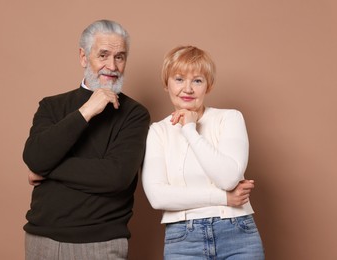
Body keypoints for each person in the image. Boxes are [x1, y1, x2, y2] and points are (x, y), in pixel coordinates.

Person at [22, 19, 150, 260]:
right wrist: (87, 111)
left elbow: (116, 176)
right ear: (83, 57)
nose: (111, 66)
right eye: (103, 55)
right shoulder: (51, 106)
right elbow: (34, 156)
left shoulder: (135, 114)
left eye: (120, 57)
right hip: (41, 240)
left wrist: (47, 168)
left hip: (100, 244)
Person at [141, 46, 264, 259]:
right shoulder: (158, 131)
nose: (187, 89)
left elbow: (227, 178)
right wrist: (225, 198)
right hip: (183, 241)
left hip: (237, 235)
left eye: (197, 81)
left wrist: (190, 129)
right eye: (179, 79)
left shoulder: (230, 118)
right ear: (166, 83)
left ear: (209, 85)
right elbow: (158, 197)